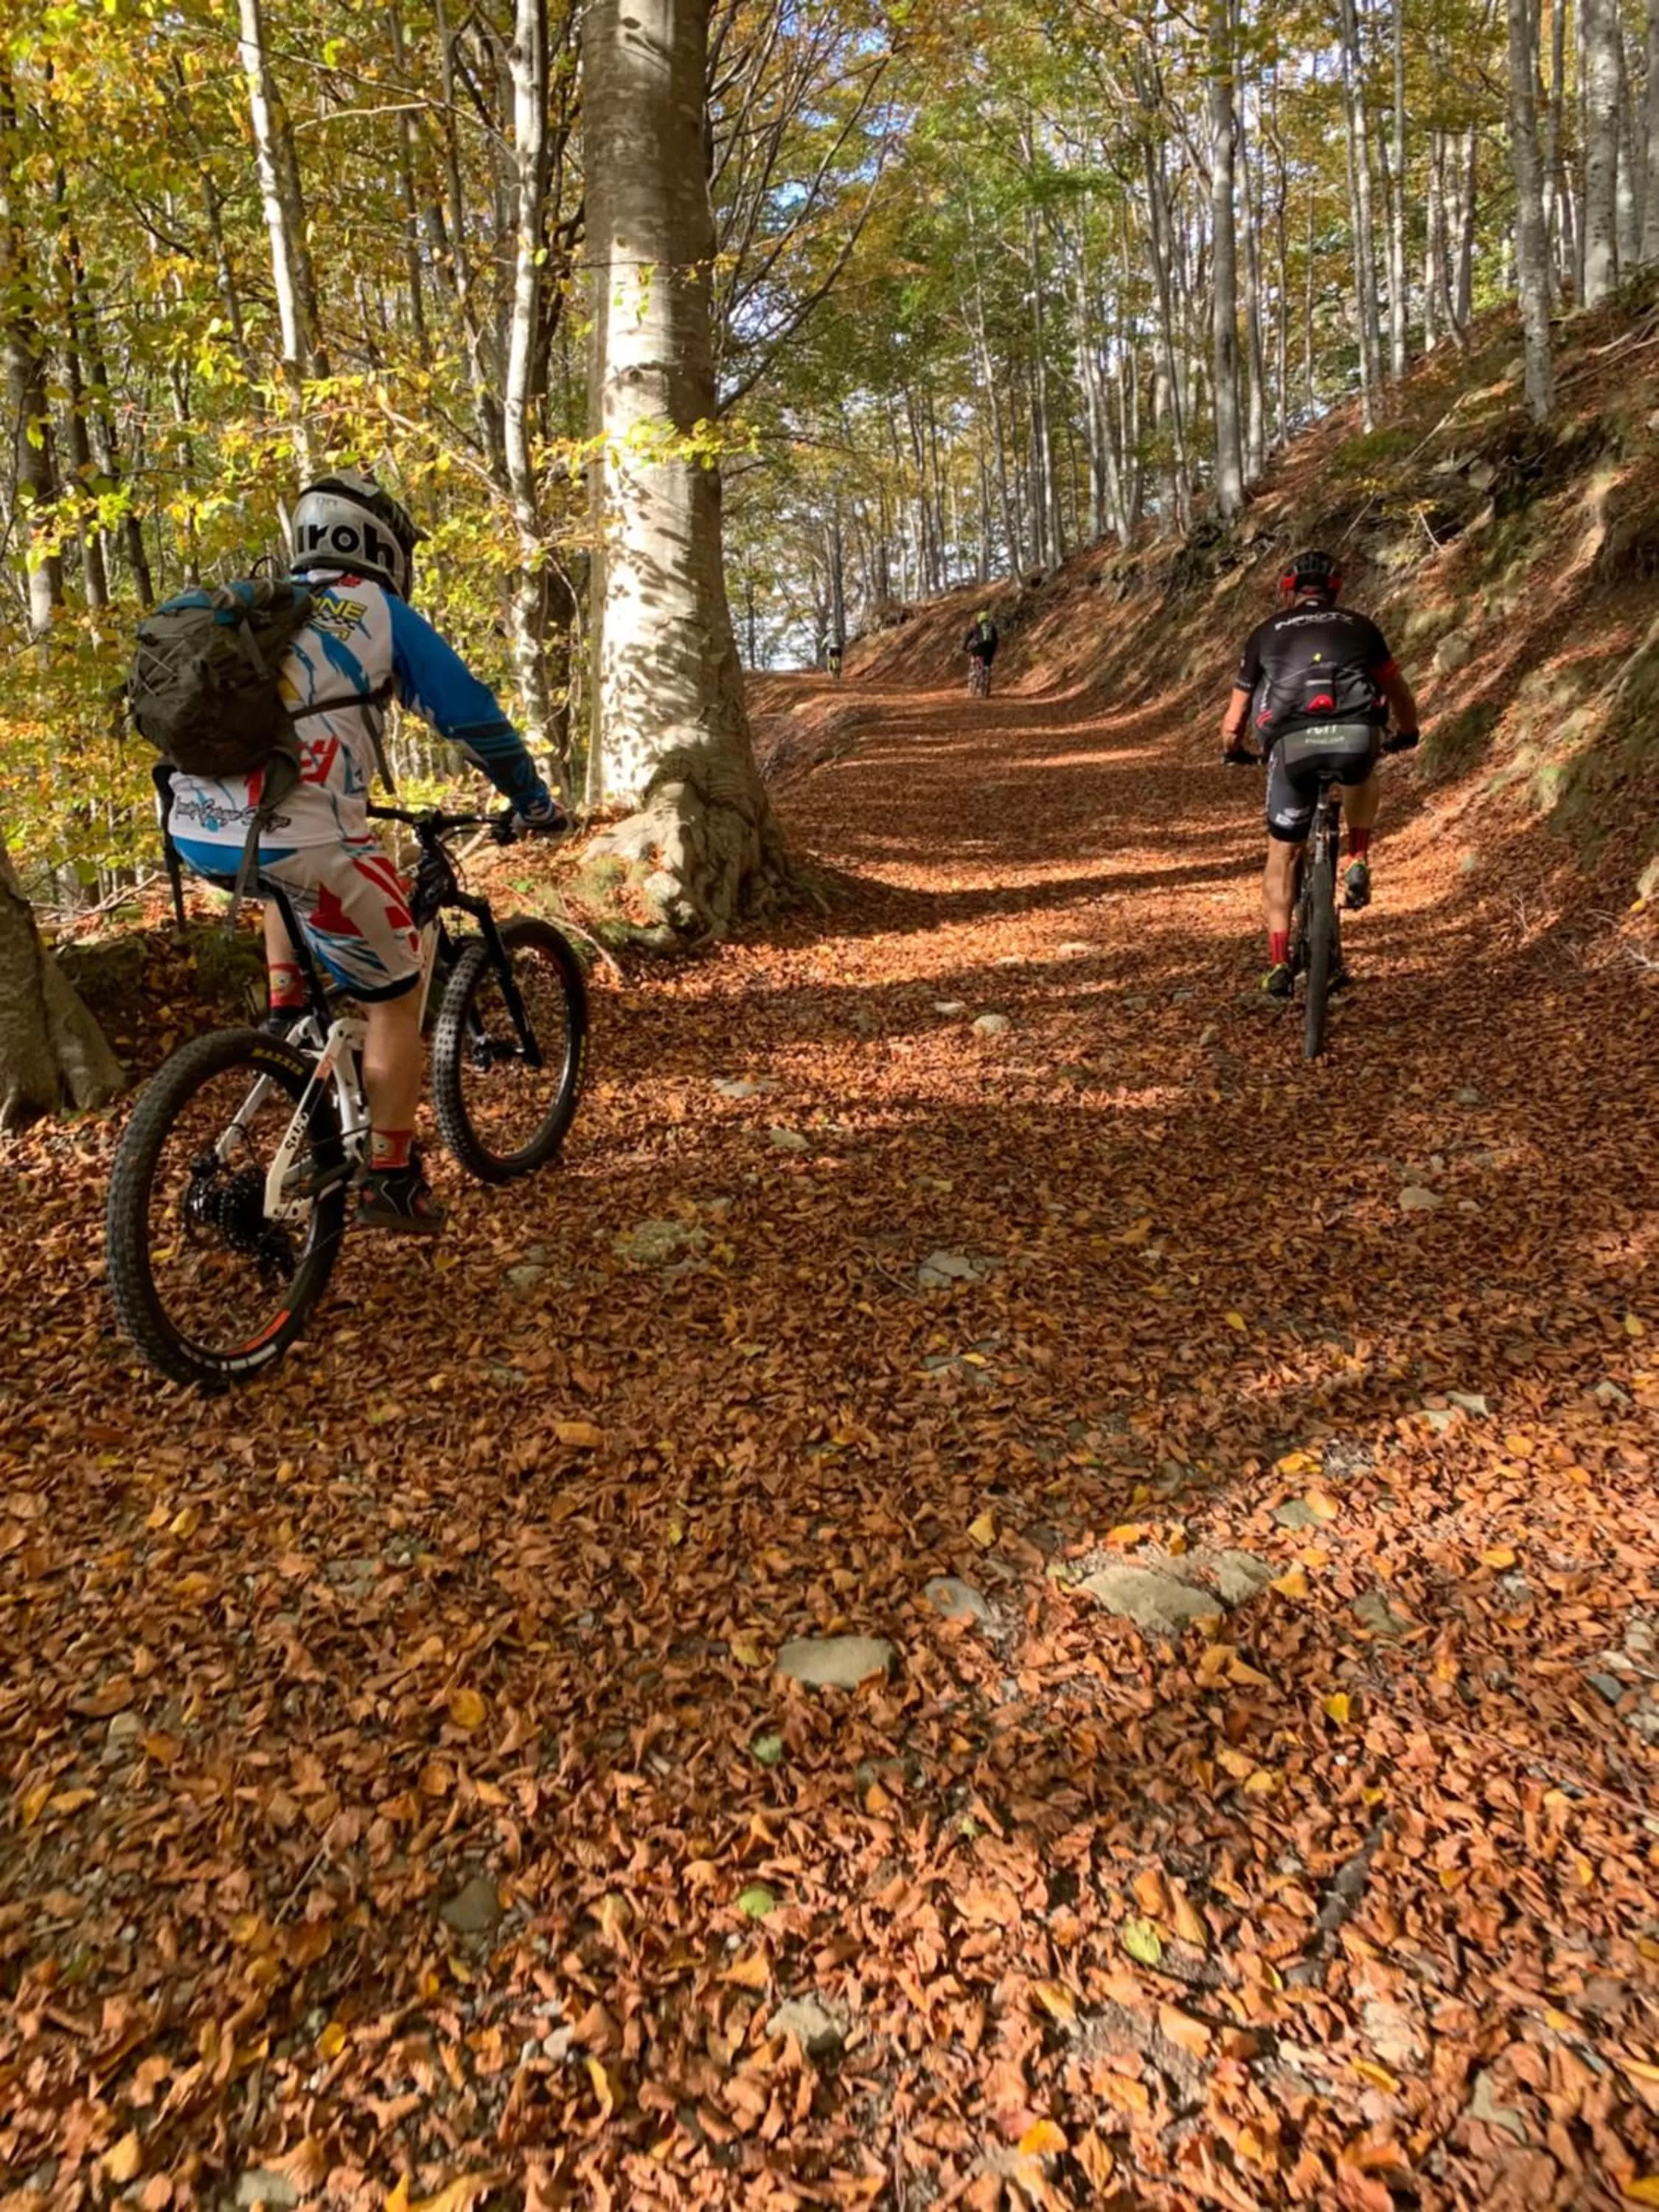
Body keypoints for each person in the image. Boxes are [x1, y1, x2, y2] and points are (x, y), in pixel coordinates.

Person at [166, 470, 566, 1234]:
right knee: (396, 995)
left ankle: (288, 1011)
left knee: (282, 876)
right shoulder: (375, 609)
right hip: (309, 839)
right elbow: (473, 717)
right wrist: (531, 799)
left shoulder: (257, 610)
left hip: (201, 830)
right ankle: (392, 1175)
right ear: (375, 541)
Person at [1221, 549, 1419, 998]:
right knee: (1364, 763)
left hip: (1292, 746)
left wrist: (1233, 750)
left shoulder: (1265, 633)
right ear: (1336, 590)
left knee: (1283, 856)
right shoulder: (1360, 627)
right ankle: (1358, 857)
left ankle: (1277, 963)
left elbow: (1235, 719)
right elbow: (1399, 693)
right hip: (1354, 736)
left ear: (1288, 592)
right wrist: (1407, 733)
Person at [964, 609, 998, 692]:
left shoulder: (976, 627)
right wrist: (994, 649)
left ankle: (974, 671)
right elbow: (996, 639)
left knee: (974, 657)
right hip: (990, 647)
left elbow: (968, 637)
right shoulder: (992, 627)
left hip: (978, 647)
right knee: (988, 664)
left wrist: (964, 647)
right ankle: (987, 675)